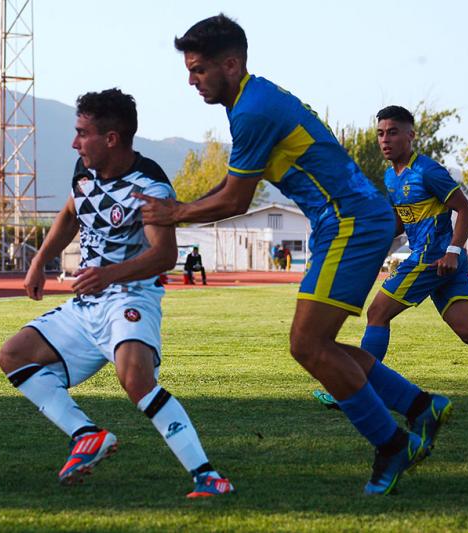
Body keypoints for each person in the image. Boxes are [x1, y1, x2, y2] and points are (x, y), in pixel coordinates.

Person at [136, 15, 449, 496]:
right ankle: (420, 407)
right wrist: (182, 208)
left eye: (198, 69)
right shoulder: (252, 101)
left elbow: (235, 201)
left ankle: (393, 445)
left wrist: (175, 213)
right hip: (345, 221)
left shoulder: (252, 110)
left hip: (350, 221)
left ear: (230, 64)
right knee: (319, 344)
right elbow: (233, 183)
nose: (191, 80)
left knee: (307, 344)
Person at [0, 88, 233, 498]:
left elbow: (164, 255)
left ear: (111, 138)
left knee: (136, 380)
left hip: (130, 297)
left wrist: (108, 275)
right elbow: (70, 213)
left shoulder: (149, 185)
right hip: (86, 303)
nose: (74, 143)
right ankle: (86, 435)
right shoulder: (83, 171)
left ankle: (208, 477)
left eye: (82, 133)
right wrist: (39, 261)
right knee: (13, 355)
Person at [314, 107, 468, 411]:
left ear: (411, 135)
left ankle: (356, 390)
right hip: (439, 263)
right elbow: (401, 221)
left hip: (432, 258)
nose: (385, 139)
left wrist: (452, 252)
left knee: (377, 313)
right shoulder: (391, 176)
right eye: (380, 133)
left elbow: (465, 210)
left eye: (393, 132)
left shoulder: (427, 171)